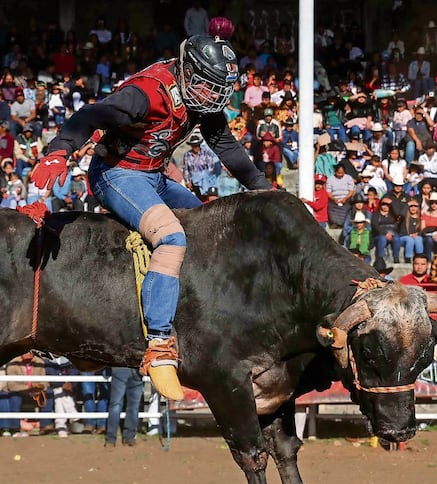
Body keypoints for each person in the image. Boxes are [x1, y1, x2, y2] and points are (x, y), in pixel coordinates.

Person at [31, 34, 269, 400]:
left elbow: (224, 143)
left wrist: (261, 188)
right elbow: (92, 113)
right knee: (172, 237)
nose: (211, 97)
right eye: (206, 86)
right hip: (115, 173)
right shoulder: (147, 93)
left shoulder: (197, 97)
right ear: (187, 71)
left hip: (154, 175)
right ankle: (158, 343)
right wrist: (60, 149)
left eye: (217, 89)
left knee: (204, 225)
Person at [105, 366, 145, 447]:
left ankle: (111, 439)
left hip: (122, 369)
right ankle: (128, 437)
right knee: (133, 407)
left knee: (116, 405)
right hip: (135, 369)